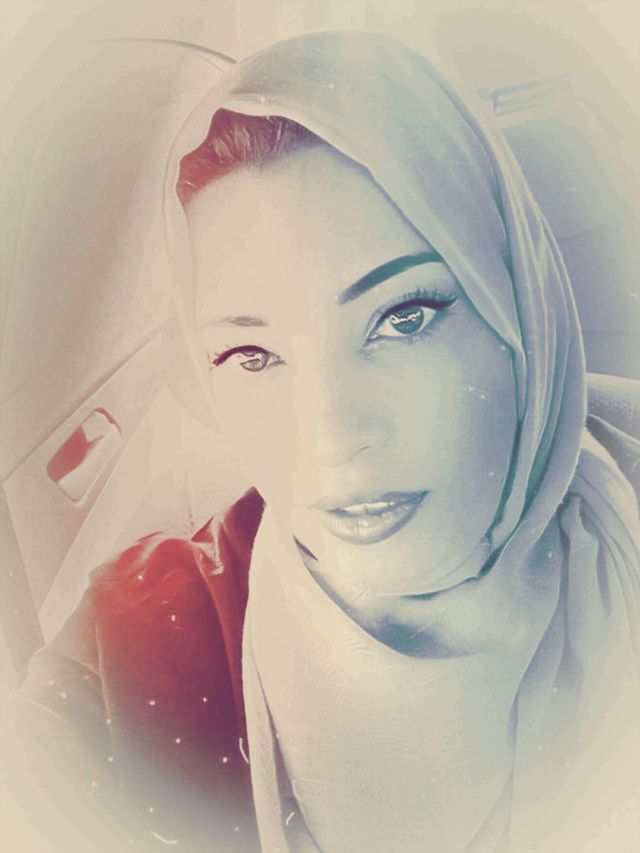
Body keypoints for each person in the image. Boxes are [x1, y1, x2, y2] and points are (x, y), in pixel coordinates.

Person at [2, 31, 639, 853]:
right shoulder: (130, 658)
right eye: (252, 354)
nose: (333, 437)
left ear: (517, 307)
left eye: (403, 318)